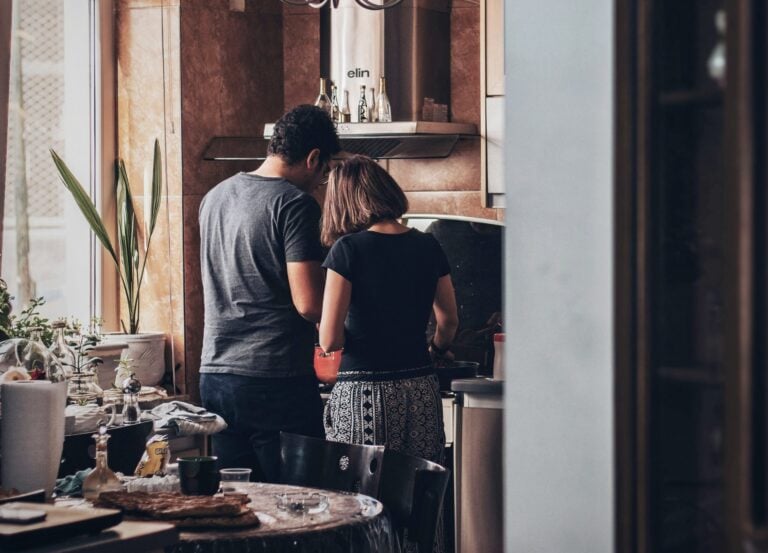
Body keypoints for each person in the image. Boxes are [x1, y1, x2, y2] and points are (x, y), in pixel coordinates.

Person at [198, 105, 340, 482]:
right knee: (302, 507)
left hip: (216, 376)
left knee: (241, 506)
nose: (320, 183)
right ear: (313, 158)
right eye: (324, 173)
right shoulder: (295, 205)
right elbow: (309, 304)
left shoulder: (214, 198)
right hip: (274, 379)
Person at [318, 155, 459, 466]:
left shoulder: (348, 250)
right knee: (419, 491)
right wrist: (435, 349)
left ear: (343, 202)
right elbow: (448, 321)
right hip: (421, 387)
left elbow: (329, 340)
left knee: (362, 498)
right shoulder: (428, 245)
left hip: (364, 393)